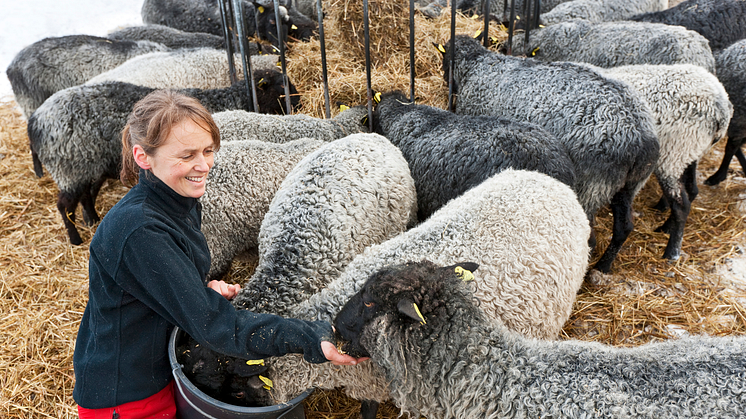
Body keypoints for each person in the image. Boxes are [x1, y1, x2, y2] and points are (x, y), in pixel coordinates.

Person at [73, 90, 365, 418]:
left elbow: (156, 286)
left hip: (158, 366)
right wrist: (311, 337)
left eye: (208, 150)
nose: (203, 165)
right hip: (127, 394)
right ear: (143, 157)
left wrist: (197, 289)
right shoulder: (142, 230)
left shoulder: (177, 203)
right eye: (186, 156)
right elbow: (214, 326)